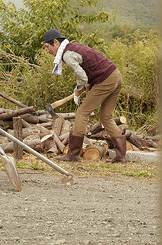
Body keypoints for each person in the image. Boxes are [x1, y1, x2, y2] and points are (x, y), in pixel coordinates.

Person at [43, 29, 126, 163]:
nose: (47, 50)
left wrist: (78, 90)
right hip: (115, 75)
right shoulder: (73, 47)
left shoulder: (67, 55)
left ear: (55, 42)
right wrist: (84, 86)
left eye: (47, 47)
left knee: (82, 113)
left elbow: (82, 77)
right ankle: (121, 156)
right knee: (106, 117)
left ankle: (73, 154)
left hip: (106, 79)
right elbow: (90, 70)